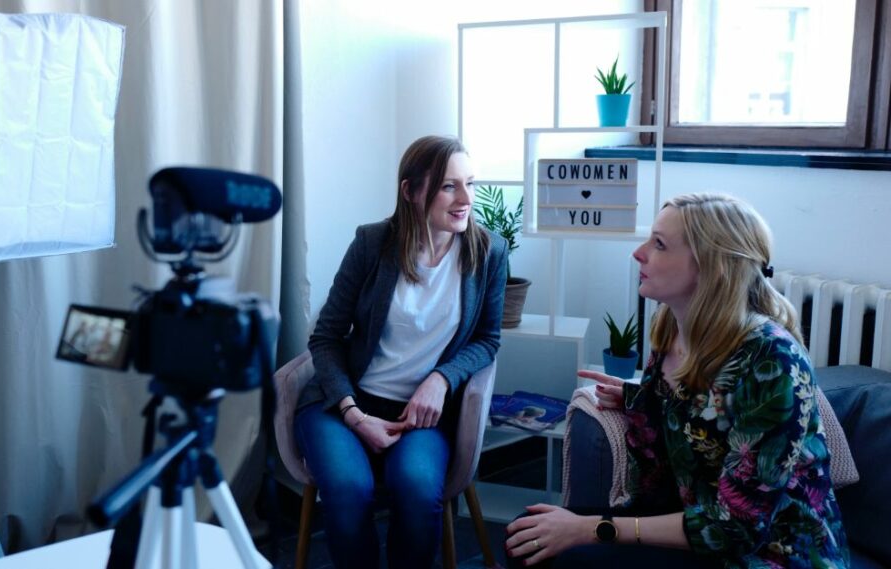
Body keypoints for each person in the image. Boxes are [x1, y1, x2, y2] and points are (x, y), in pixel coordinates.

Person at [504, 193, 849, 568]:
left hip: (765, 552)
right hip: (697, 526)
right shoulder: (670, 327)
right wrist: (643, 397)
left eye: (659, 244)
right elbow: (702, 414)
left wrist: (592, 528)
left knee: (563, 555)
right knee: (527, 533)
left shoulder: (771, 359)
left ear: (712, 267)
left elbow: (738, 527)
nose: (639, 253)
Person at [294, 135, 509, 569]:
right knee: (349, 490)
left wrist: (440, 379)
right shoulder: (373, 244)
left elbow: (488, 339)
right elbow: (326, 336)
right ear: (411, 192)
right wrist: (353, 412)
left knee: (416, 489)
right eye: (449, 186)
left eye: (470, 182)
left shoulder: (489, 251)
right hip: (343, 403)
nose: (467, 198)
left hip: (421, 414)